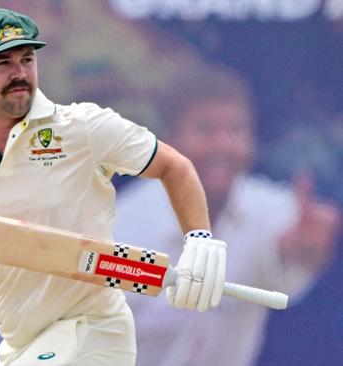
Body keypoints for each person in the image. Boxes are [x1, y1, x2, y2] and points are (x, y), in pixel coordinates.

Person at [0, 8, 227, 365]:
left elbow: (175, 167)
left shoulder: (83, 127)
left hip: (95, 330)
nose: (20, 73)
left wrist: (198, 238)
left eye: (27, 59)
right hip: (20, 339)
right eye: (3, 63)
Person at [113, 66, 341, 366]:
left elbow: (287, 271)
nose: (223, 145)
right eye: (206, 130)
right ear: (168, 143)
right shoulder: (123, 225)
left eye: (236, 130)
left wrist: (307, 254)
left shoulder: (274, 208)